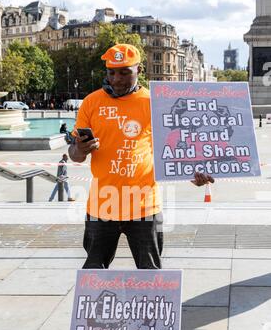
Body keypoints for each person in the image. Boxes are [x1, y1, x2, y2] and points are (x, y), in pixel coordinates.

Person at [69, 43, 214, 271]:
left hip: (145, 206)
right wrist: (80, 149)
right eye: (111, 72)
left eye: (125, 72)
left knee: (150, 273)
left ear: (139, 71)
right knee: (94, 273)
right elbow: (75, 156)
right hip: (102, 206)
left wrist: (193, 174)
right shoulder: (91, 102)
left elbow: (174, 151)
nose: (117, 79)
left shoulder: (155, 103)